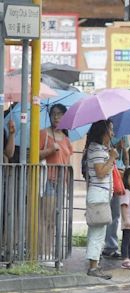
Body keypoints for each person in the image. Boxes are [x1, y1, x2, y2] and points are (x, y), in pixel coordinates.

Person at [84, 119, 118, 279]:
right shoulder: (97, 150)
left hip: (100, 194)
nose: (112, 133)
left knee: (97, 231)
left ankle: (94, 264)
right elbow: (100, 172)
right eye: (110, 130)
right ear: (103, 131)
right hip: (98, 194)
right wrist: (111, 158)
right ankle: (93, 267)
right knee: (98, 232)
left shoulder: (98, 149)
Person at [39, 104, 74, 257]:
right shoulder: (43, 134)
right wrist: (50, 150)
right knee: (46, 218)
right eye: (53, 114)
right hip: (47, 180)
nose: (56, 117)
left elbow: (67, 162)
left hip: (61, 183)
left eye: (60, 114)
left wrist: (67, 183)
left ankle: (50, 251)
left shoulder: (66, 139)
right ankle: (43, 252)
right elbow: (35, 155)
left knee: (54, 220)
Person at [102, 135, 130, 259]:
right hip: (107, 172)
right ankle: (99, 245)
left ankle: (111, 246)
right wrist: (112, 150)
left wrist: (123, 149)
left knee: (115, 213)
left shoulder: (123, 135)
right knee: (102, 212)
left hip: (119, 174)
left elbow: (126, 161)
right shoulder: (102, 135)